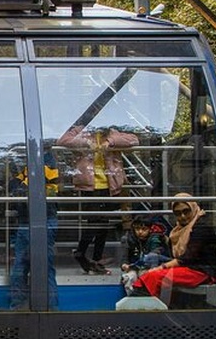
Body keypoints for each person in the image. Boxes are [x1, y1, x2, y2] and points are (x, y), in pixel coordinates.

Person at [56, 125, 138, 274]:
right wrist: (86, 143)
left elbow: (134, 140)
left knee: (103, 223)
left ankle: (96, 260)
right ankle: (82, 253)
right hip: (89, 185)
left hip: (109, 184)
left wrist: (110, 142)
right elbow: (63, 140)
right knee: (95, 222)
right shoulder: (82, 131)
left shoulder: (111, 132)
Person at [131, 193, 216, 299]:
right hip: (187, 268)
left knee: (154, 276)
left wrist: (161, 267)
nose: (182, 216)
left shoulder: (201, 228)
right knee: (149, 275)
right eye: (178, 213)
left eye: (186, 211)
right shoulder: (179, 230)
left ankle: (141, 306)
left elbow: (188, 257)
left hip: (201, 271)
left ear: (193, 207)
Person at [9, 149, 59, 310]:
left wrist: (19, 185)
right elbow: (14, 186)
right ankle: (22, 305)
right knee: (21, 267)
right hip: (28, 219)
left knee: (41, 266)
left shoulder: (46, 162)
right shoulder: (31, 163)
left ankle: (48, 307)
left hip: (42, 219)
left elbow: (22, 188)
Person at [120, 216, 171, 294]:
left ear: (150, 229)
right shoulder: (128, 238)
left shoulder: (155, 238)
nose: (140, 232)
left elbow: (156, 252)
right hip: (133, 268)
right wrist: (124, 265)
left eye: (144, 229)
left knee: (146, 276)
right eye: (137, 229)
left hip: (149, 268)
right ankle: (131, 299)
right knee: (129, 278)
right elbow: (124, 257)